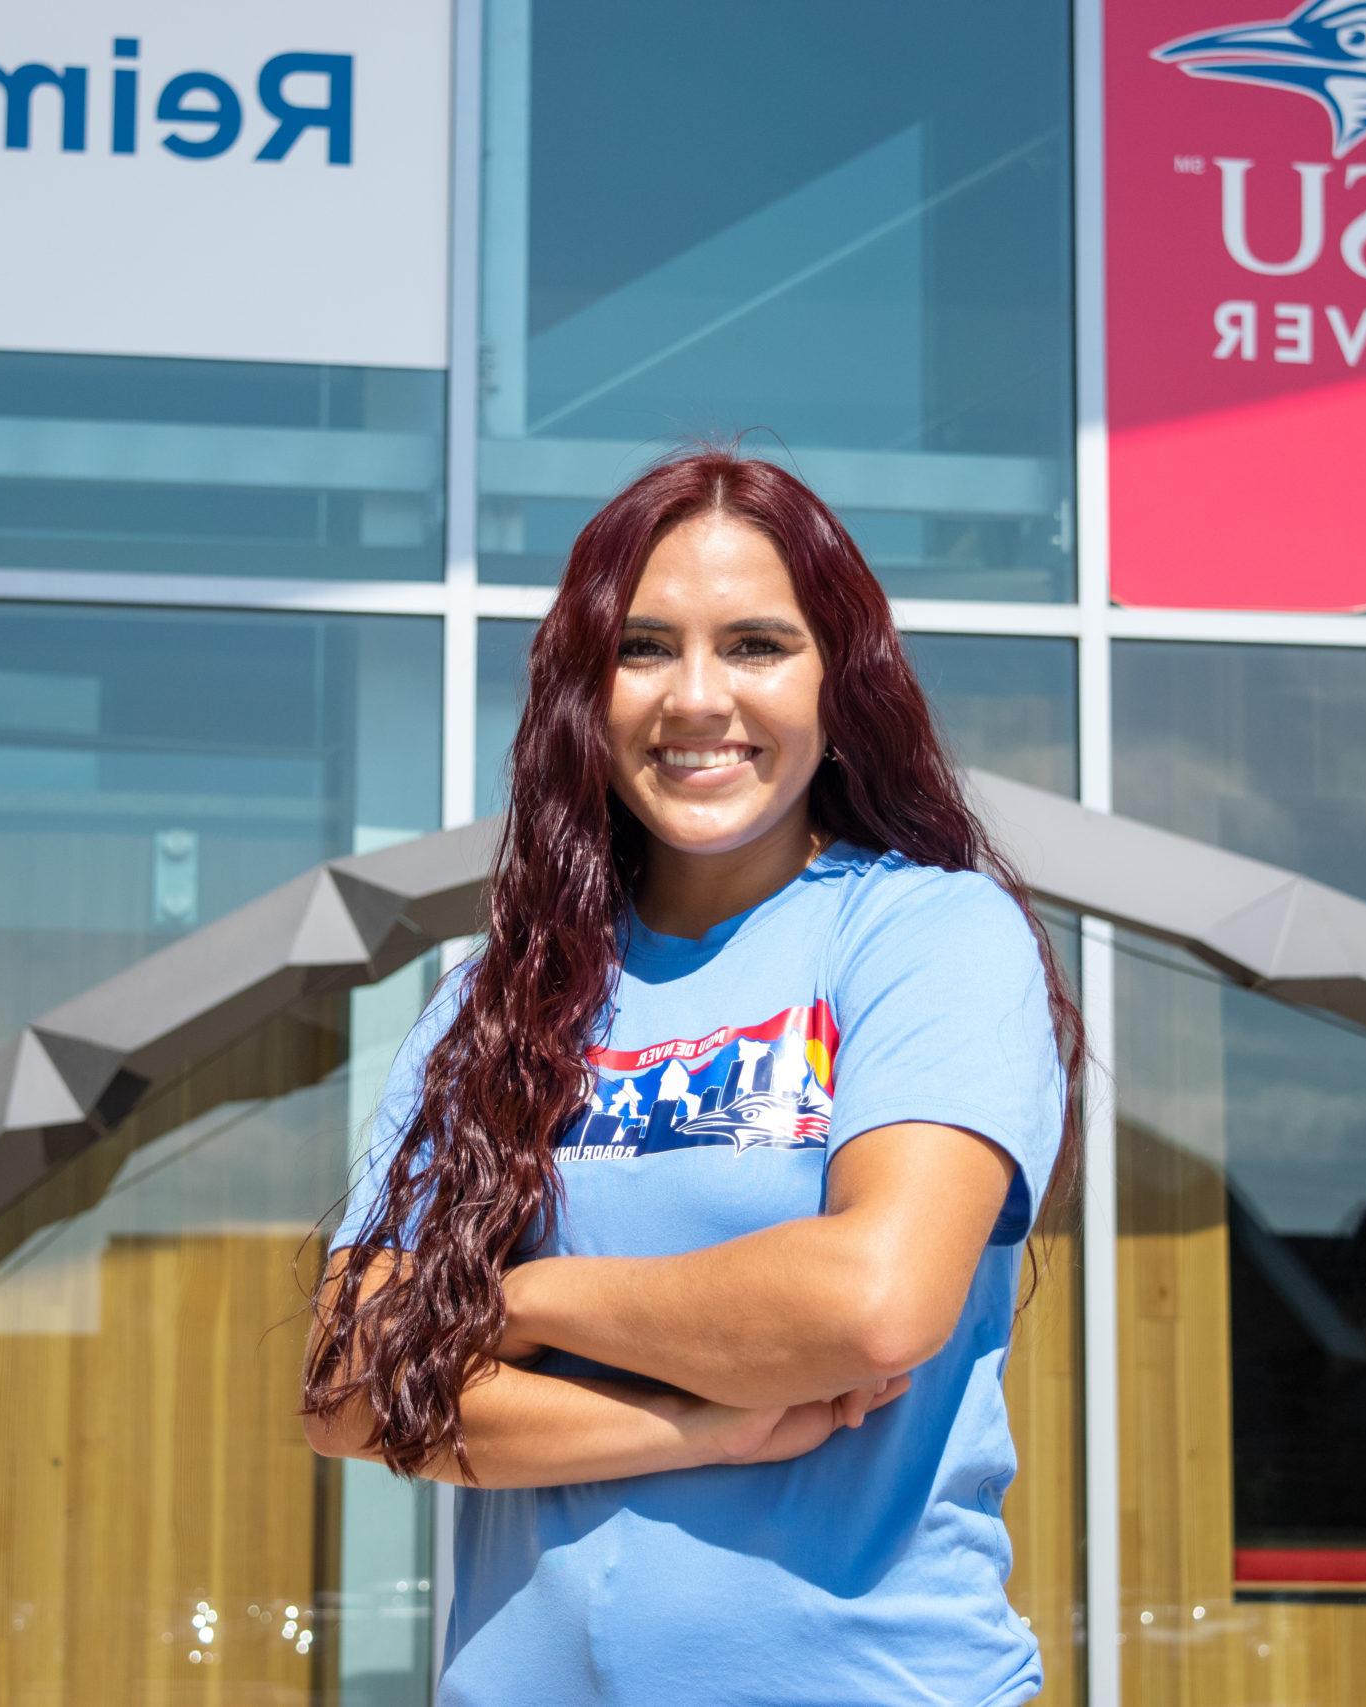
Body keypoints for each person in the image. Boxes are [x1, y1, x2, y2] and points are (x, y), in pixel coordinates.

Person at [300, 446, 1088, 1705]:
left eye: (757, 646)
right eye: (645, 647)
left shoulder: (926, 935)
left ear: (843, 684)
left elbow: (871, 1303)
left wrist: (524, 1304)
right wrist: (700, 1426)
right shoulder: (496, 997)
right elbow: (350, 1380)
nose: (696, 699)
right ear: (585, 690)